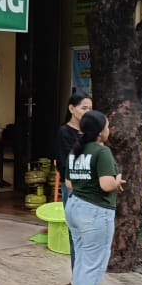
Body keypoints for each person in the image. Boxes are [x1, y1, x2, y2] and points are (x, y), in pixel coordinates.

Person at [64, 110, 124, 285]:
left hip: (75, 207)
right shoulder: (102, 152)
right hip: (95, 212)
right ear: (100, 132)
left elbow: (69, 183)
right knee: (93, 262)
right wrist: (117, 180)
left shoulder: (76, 150)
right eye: (107, 126)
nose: (109, 130)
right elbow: (106, 185)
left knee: (81, 259)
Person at [55, 92, 91, 270]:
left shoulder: (89, 133)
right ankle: (79, 278)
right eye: (84, 108)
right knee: (76, 232)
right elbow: (64, 164)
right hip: (73, 187)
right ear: (71, 109)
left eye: (90, 109)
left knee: (87, 234)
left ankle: (81, 277)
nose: (87, 112)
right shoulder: (64, 132)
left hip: (88, 188)